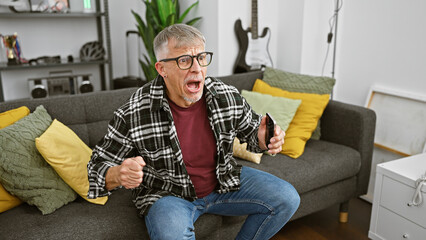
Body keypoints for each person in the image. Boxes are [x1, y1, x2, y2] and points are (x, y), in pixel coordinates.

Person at [87, 24, 300, 240]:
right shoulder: (133, 111)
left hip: (222, 180)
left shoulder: (225, 96)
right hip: (168, 195)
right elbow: (96, 169)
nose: (197, 68)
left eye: (201, 57)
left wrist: (265, 139)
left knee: (287, 198)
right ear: (162, 69)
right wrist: (117, 174)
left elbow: (253, 136)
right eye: (184, 60)